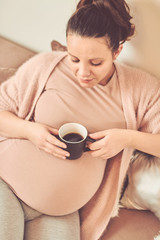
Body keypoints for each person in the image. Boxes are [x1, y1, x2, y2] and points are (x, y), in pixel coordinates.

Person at [0, 0, 160, 239]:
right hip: (6, 185)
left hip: (61, 213)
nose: (83, 72)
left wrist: (126, 138)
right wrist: (30, 131)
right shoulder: (45, 66)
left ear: (117, 51)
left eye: (96, 63)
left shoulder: (140, 89)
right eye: (74, 59)